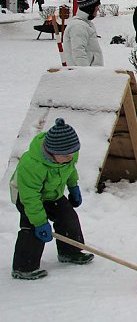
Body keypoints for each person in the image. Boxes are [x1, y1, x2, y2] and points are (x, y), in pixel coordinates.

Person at [10, 118, 94, 280]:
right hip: (27, 196)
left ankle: (70, 251)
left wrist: (73, 187)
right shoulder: (31, 165)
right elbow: (30, 198)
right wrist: (40, 222)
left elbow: (70, 169)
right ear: (51, 152)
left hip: (52, 193)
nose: (71, 157)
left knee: (68, 218)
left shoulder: (68, 154)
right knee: (31, 228)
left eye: (73, 153)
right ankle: (24, 267)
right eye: (66, 155)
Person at [63, 0, 103, 66]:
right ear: (89, 8)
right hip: (84, 74)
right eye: (96, 6)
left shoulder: (85, 24)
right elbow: (78, 53)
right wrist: (86, 74)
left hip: (91, 73)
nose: (98, 9)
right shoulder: (78, 26)